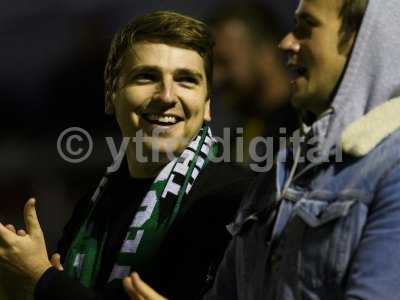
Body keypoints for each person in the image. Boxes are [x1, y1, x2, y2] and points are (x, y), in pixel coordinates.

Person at [124, 0, 400, 299]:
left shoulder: (390, 170)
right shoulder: (283, 166)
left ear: (364, 40)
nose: (287, 42)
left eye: (306, 28)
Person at [0, 11, 255, 300]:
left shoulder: (236, 200)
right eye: (146, 77)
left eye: (186, 80)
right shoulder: (94, 202)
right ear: (111, 94)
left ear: (207, 105)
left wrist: (41, 281)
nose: (167, 96)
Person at [209, 2, 298, 166]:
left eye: (225, 62)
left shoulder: (304, 129)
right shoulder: (235, 138)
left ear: (267, 52)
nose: (215, 79)